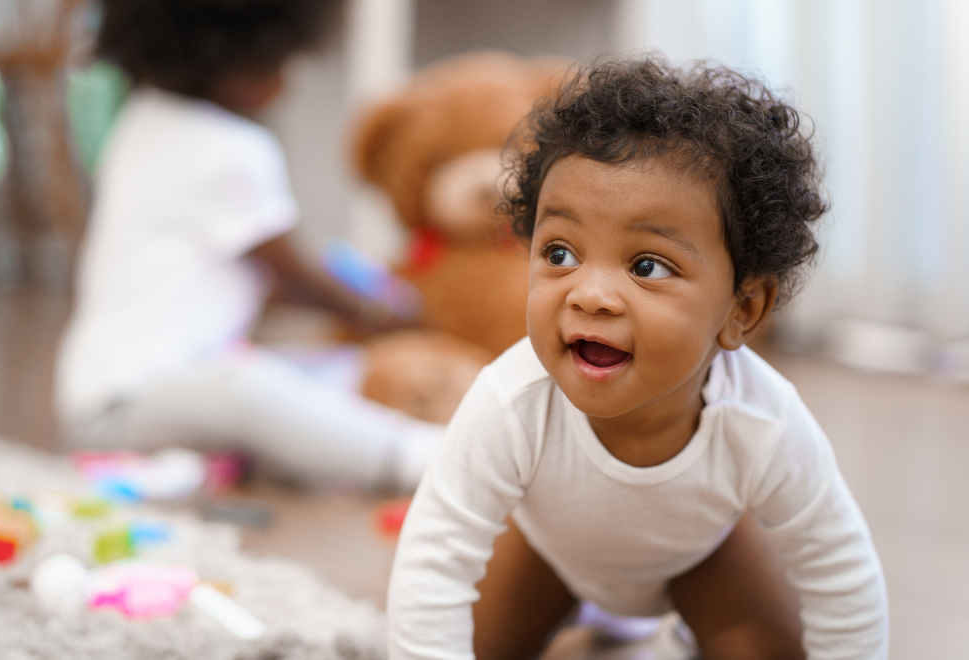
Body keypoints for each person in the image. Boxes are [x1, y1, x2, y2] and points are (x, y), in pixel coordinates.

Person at [387, 57, 888, 660]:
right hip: (549, 553)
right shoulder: (510, 401)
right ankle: (602, 627)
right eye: (561, 252)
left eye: (646, 265)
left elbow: (841, 574)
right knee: (476, 643)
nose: (589, 293)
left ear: (742, 310)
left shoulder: (764, 421)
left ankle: (672, 632)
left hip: (702, 556)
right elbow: (433, 559)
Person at [55, 0, 442, 492]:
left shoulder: (141, 118)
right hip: (132, 403)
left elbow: (255, 279)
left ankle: (331, 446)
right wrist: (382, 313)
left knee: (322, 374)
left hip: (99, 398)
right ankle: (421, 457)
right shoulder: (233, 151)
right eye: (278, 61)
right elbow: (294, 279)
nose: (287, 78)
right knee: (253, 389)